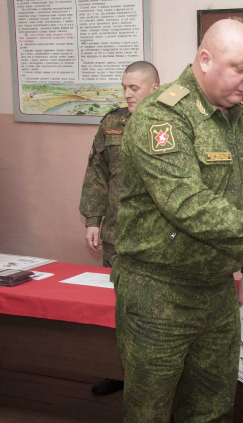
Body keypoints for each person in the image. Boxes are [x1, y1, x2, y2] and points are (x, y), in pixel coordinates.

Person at [111, 19, 243, 423]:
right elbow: (188, 204)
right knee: (149, 417)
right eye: (240, 68)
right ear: (204, 60)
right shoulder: (161, 116)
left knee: (212, 412)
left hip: (217, 294)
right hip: (158, 293)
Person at [79, 60, 160, 396]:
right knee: (117, 310)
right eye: (124, 87)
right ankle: (119, 373)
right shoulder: (112, 123)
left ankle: (153, 381)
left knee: (153, 313)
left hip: (156, 241)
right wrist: (92, 220)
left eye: (134, 88)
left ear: (154, 88)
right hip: (116, 236)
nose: (127, 94)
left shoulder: (172, 123)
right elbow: (97, 172)